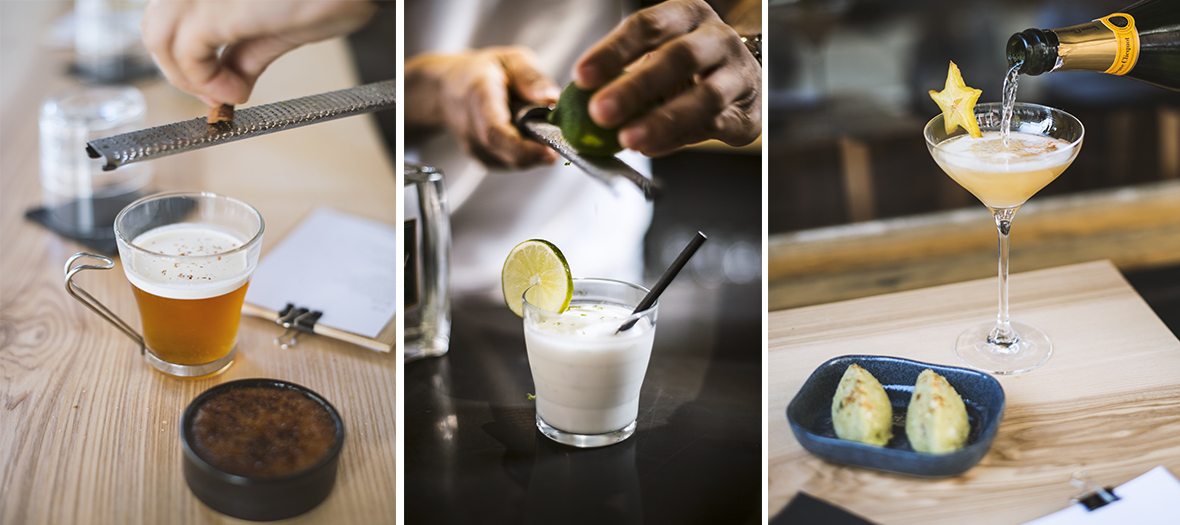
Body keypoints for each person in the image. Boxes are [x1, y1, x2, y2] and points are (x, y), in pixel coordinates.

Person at [142, 0, 761, 300]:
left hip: (573, 262)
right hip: (375, 260)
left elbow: (731, 14)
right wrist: (429, 89)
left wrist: (747, 47)